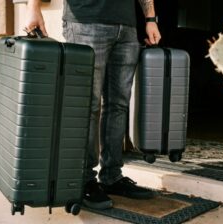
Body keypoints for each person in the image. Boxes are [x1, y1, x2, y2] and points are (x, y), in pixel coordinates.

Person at [25, 0, 162, 210]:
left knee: (118, 106)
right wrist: (33, 7)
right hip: (85, 23)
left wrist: (150, 18)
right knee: (87, 106)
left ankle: (112, 176)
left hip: (127, 27)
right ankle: (83, 180)